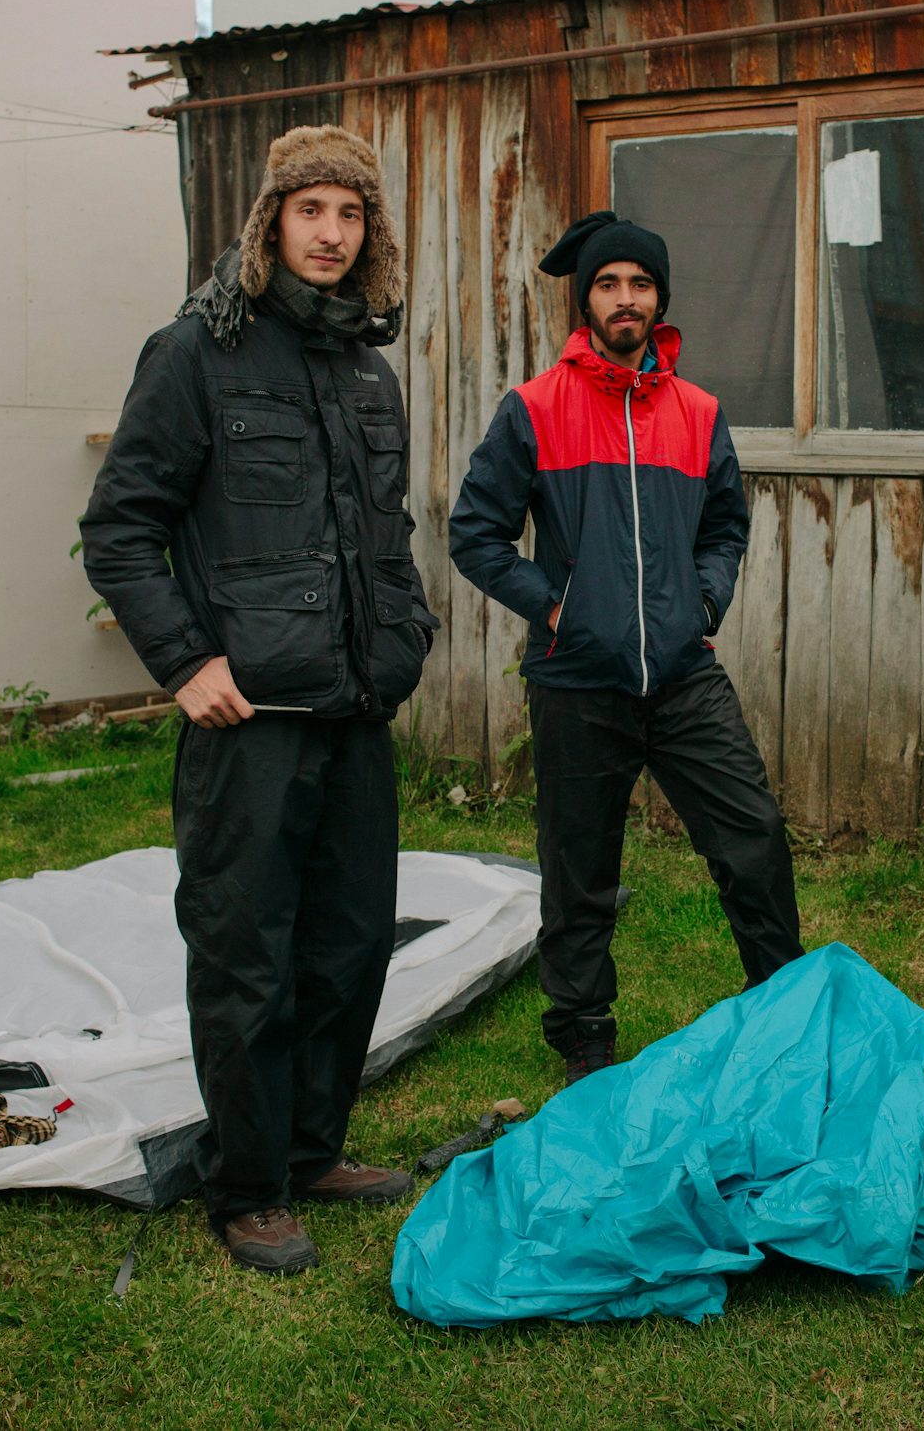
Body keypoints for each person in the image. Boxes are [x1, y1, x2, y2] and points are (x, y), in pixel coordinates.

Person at [82, 125, 437, 1274]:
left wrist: (405, 633)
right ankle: (246, 1187)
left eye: (350, 213)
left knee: (349, 945)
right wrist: (187, 661)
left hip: (354, 711)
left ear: (369, 232)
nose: (330, 233)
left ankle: (309, 1150)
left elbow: (383, 533)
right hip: (248, 722)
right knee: (247, 955)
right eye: (309, 210)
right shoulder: (196, 352)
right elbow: (119, 527)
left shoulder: (364, 368)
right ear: (269, 222)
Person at [449, 210, 803, 1085]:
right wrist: (556, 608)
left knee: (753, 837)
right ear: (586, 301)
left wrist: (705, 599)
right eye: (608, 284)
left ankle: (785, 1007)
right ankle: (582, 1033)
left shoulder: (699, 412)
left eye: (640, 284)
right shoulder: (536, 408)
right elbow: (475, 533)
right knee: (580, 867)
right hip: (577, 679)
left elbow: (725, 526)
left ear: (660, 300)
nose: (625, 298)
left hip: (682, 675)